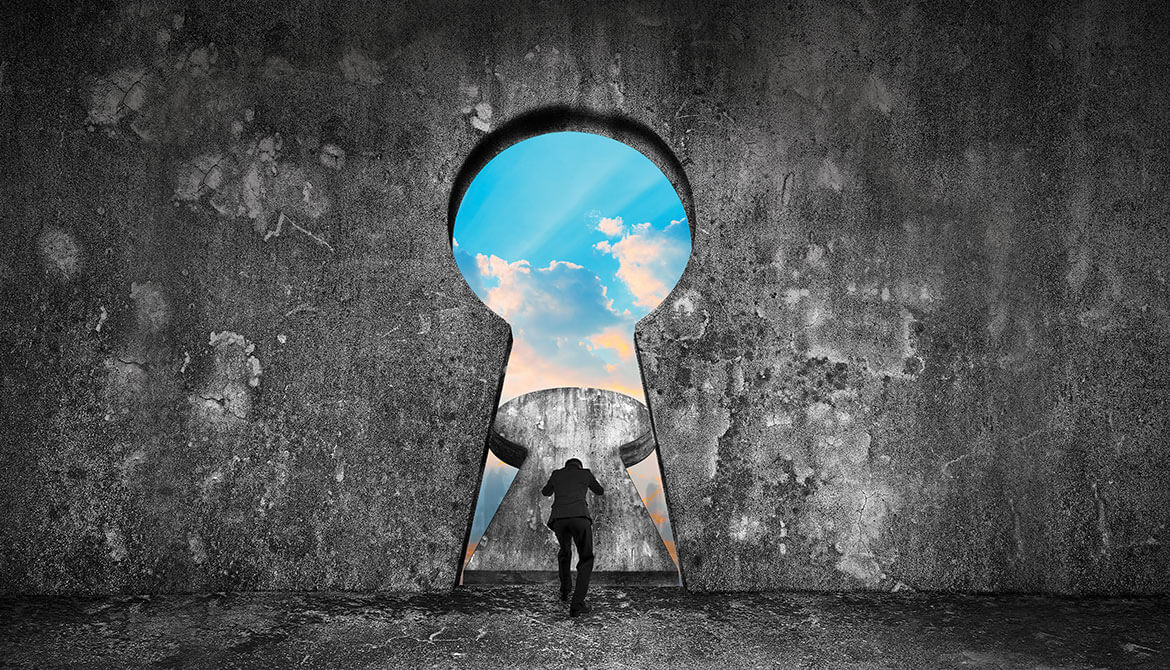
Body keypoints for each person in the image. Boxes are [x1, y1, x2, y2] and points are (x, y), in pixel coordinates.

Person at [541, 457, 604, 616]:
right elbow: (599, 490)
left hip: (559, 520)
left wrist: (555, 483)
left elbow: (545, 492)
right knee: (586, 558)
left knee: (564, 552)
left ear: (566, 466)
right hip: (579, 518)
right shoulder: (585, 473)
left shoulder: (557, 474)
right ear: (579, 466)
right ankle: (577, 604)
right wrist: (590, 479)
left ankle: (565, 591)